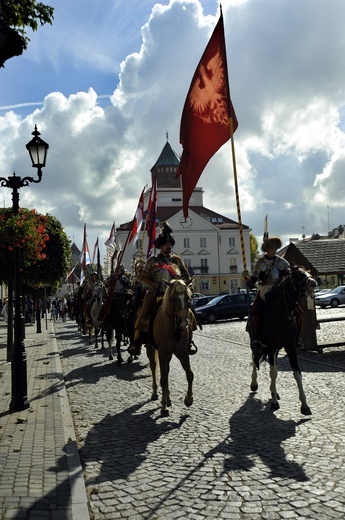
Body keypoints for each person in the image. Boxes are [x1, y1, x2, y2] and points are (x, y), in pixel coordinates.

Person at [128, 221, 197, 356]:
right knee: (142, 315)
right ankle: (136, 343)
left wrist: (186, 288)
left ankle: (189, 341)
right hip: (156, 294)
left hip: (175, 296)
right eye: (166, 244)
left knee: (189, 313)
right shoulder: (153, 261)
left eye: (170, 244)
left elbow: (185, 276)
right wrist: (152, 285)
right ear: (160, 246)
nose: (168, 246)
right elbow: (142, 277)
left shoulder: (177, 260)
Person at [247, 235, 304, 351]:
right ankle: (256, 338)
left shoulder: (282, 262)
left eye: (275, 248)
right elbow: (253, 280)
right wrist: (248, 282)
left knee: (299, 312)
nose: (274, 251)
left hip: (280, 290)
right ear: (267, 249)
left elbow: (289, 276)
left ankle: (296, 338)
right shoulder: (260, 262)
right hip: (265, 290)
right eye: (271, 248)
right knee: (255, 311)